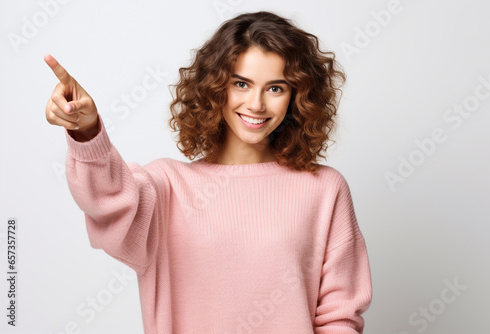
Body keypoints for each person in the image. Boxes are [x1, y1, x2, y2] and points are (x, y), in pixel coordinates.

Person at [44, 10, 372, 334]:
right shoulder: (166, 186)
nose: (256, 104)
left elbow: (339, 317)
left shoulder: (324, 189)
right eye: (241, 84)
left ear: (297, 96)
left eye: (275, 88)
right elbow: (107, 200)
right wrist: (87, 132)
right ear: (216, 88)